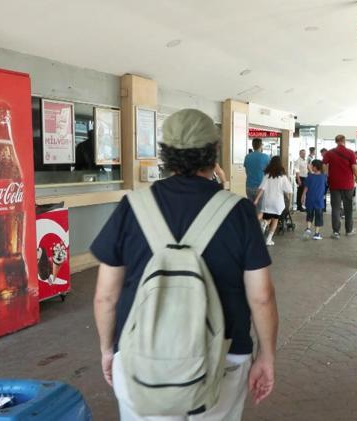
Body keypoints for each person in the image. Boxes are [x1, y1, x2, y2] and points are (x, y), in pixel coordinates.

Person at [91, 109, 278, 420]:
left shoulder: (132, 207)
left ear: (165, 153)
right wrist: (266, 356)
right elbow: (261, 296)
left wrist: (108, 350)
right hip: (224, 354)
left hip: (141, 354)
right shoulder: (239, 211)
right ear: (214, 151)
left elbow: (105, 296)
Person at [323, 135, 357, 238]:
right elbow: (354, 167)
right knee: (348, 208)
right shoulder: (350, 152)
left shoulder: (329, 153)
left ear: (336, 141)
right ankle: (349, 230)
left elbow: (324, 165)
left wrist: (326, 176)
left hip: (334, 183)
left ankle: (336, 232)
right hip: (348, 184)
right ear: (344, 141)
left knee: (335, 208)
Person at [254, 156, 293, 246]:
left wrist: (256, 199)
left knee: (267, 217)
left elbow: (262, 189)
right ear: (280, 164)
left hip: (267, 201)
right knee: (275, 220)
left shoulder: (267, 176)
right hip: (277, 202)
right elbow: (289, 190)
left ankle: (265, 223)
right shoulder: (283, 177)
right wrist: (289, 201)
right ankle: (268, 240)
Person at [244, 138, 270, 213]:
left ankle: (251, 220)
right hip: (260, 187)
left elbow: (247, 172)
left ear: (253, 145)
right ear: (261, 145)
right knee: (260, 211)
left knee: (251, 209)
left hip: (249, 186)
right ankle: (257, 221)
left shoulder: (247, 157)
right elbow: (269, 173)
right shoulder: (266, 157)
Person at [303, 159, 326, 240]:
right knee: (318, 216)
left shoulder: (310, 176)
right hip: (319, 200)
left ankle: (308, 228)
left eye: (312, 166)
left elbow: (306, 188)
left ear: (315, 167)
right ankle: (316, 234)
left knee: (309, 214)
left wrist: (303, 196)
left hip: (310, 199)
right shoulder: (323, 177)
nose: (311, 167)